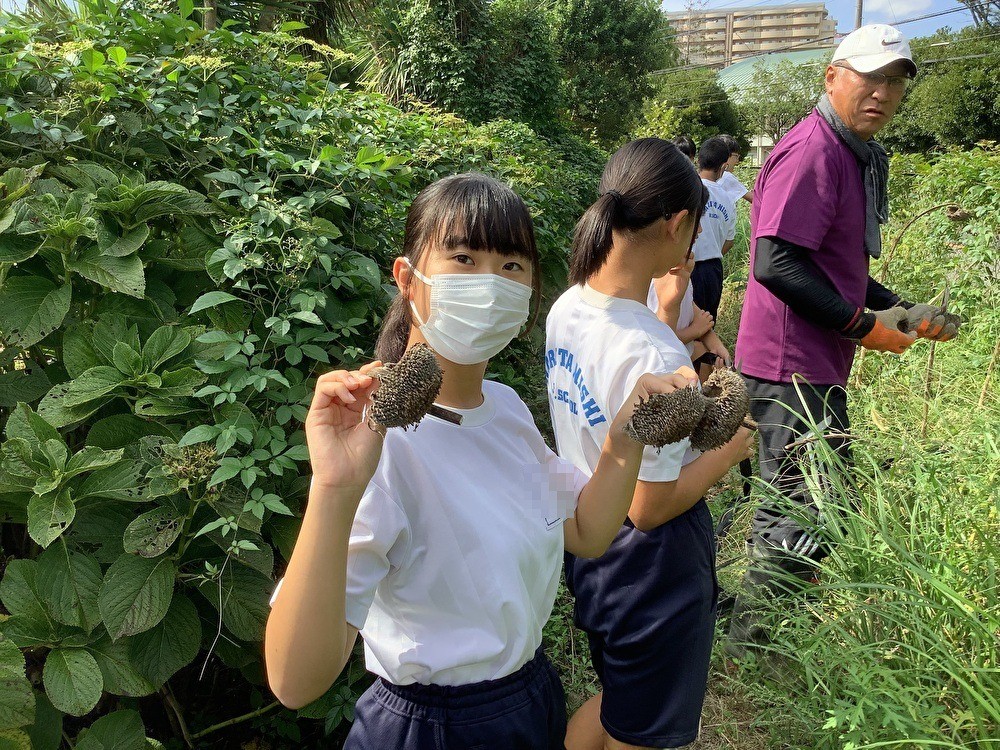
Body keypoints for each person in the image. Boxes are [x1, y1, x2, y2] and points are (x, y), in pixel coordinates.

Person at [263, 173, 698, 749]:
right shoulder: (375, 440)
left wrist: (624, 439)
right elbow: (295, 681)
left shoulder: (505, 409)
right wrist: (335, 488)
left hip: (527, 698)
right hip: (431, 726)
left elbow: (588, 532)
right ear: (407, 279)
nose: (490, 283)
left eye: (512, 266)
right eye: (464, 258)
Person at [728, 24, 959, 657]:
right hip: (789, 364)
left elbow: (834, 268)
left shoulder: (848, 151)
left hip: (813, 360)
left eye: (895, 82)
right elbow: (776, 263)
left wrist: (900, 309)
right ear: (833, 76)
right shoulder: (813, 152)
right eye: (870, 77)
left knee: (816, 494)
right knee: (804, 502)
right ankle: (757, 641)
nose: (883, 93)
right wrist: (864, 326)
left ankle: (766, 627)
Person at [546, 139, 755, 750]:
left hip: (590, 536)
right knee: (647, 729)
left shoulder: (571, 306)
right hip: (650, 565)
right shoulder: (650, 350)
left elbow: (620, 381)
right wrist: (730, 451)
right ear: (677, 224)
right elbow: (649, 506)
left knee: (622, 697)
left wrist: (665, 318)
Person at [689, 136, 738, 321]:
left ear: (699, 160)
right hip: (712, 270)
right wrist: (713, 252)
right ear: (724, 166)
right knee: (708, 324)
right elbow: (730, 241)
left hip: (685, 267)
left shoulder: (688, 189)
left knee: (684, 327)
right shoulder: (726, 198)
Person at [716, 134, 752, 206]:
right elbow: (754, 199)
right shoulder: (726, 177)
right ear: (726, 155)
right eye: (736, 156)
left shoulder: (709, 174)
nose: (737, 161)